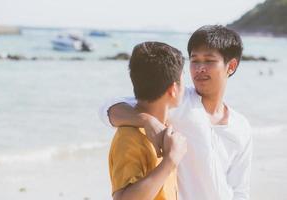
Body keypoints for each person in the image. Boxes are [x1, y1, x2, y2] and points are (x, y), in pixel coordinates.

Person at [100, 25, 253, 200]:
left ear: (231, 66)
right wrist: (146, 120)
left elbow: (240, 189)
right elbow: (107, 109)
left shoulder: (241, 126)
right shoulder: (176, 99)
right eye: (195, 60)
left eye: (209, 61)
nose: (199, 68)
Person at [109, 41, 187, 200]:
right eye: (183, 79)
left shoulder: (167, 127)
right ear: (173, 89)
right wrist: (170, 161)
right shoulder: (129, 137)